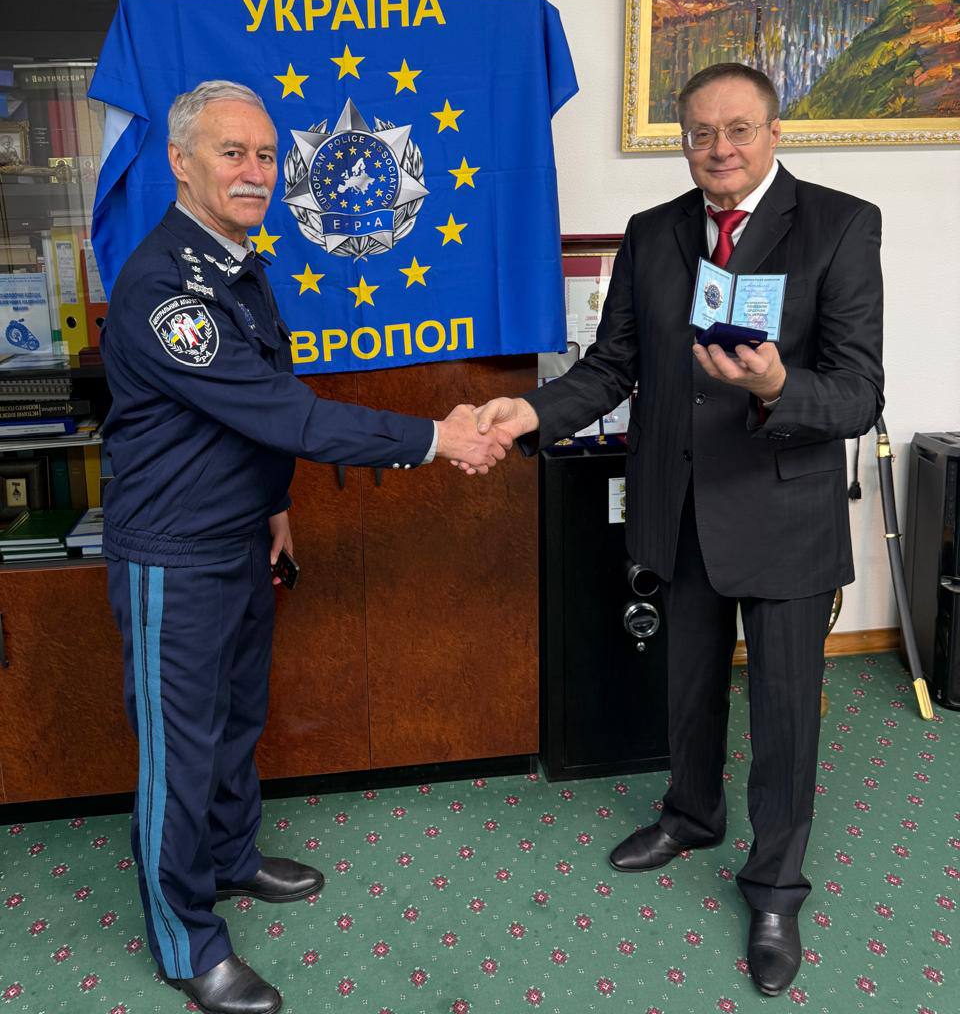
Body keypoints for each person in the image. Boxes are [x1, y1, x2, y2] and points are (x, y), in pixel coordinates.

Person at [472, 62, 884, 997]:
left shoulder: (840, 224)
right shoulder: (654, 231)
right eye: (700, 133)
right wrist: (532, 412)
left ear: (775, 133)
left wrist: (778, 385)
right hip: (680, 504)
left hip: (783, 512)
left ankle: (774, 886)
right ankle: (692, 815)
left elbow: (860, 393)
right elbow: (611, 366)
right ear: (684, 140)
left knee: (785, 712)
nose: (719, 149)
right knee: (688, 688)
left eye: (738, 129)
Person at [101, 80, 510, 1014]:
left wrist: (275, 505)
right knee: (179, 754)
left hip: (237, 536)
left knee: (236, 720)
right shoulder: (167, 286)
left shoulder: (235, 264)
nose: (254, 171)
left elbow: (246, 416)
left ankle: (230, 858)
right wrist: (437, 437)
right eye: (231, 153)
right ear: (180, 162)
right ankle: (187, 944)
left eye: (264, 154)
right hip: (174, 555)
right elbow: (285, 411)